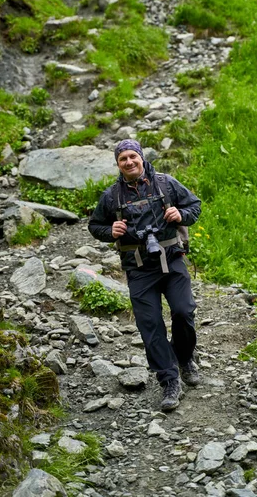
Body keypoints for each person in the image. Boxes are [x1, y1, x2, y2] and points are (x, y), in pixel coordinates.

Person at [88, 139, 202, 411]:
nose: (128, 162)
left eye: (132, 156)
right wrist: (110, 230)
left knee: (184, 312)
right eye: (122, 159)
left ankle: (185, 358)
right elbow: (95, 225)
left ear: (141, 157)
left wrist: (181, 214)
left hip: (172, 259)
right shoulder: (112, 195)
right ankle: (169, 380)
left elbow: (195, 206)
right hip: (138, 267)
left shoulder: (166, 183)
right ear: (118, 164)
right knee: (150, 326)